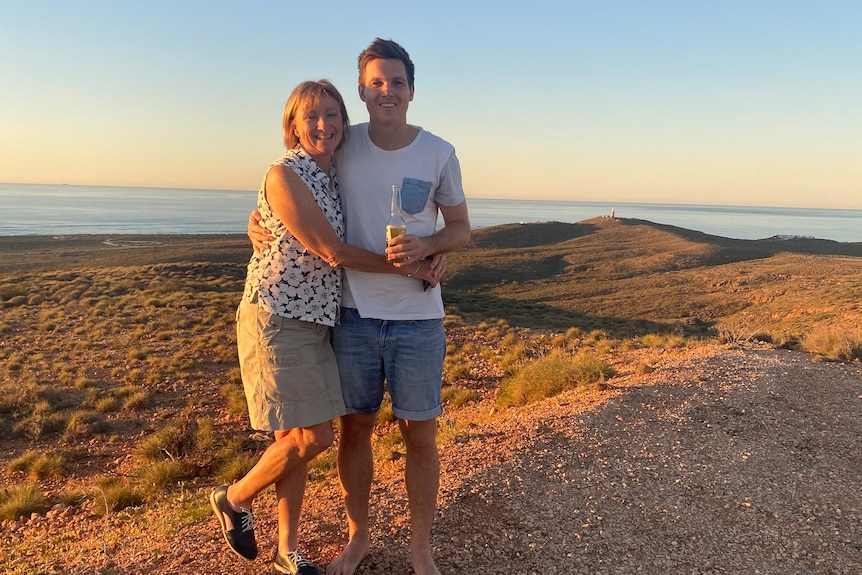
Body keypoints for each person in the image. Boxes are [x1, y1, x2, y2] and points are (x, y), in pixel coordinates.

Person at [249, 38, 470, 575]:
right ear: (362, 91)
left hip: (419, 317)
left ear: (411, 90)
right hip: (350, 316)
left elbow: (461, 229)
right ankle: (359, 539)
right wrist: (253, 223)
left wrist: (430, 247)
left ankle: (421, 550)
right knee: (355, 433)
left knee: (420, 435)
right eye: (377, 82)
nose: (387, 91)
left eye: (397, 82)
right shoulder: (341, 142)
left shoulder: (438, 151)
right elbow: (288, 190)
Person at [210, 79, 440, 575]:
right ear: (292, 125)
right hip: (277, 317)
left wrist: (431, 247)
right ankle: (233, 498)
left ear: (345, 122)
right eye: (311, 116)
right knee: (311, 437)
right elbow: (332, 251)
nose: (323, 124)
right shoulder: (285, 173)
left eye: (332, 115)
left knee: (292, 437)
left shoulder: (333, 172)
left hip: (322, 321)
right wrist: (412, 267)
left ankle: (287, 550)